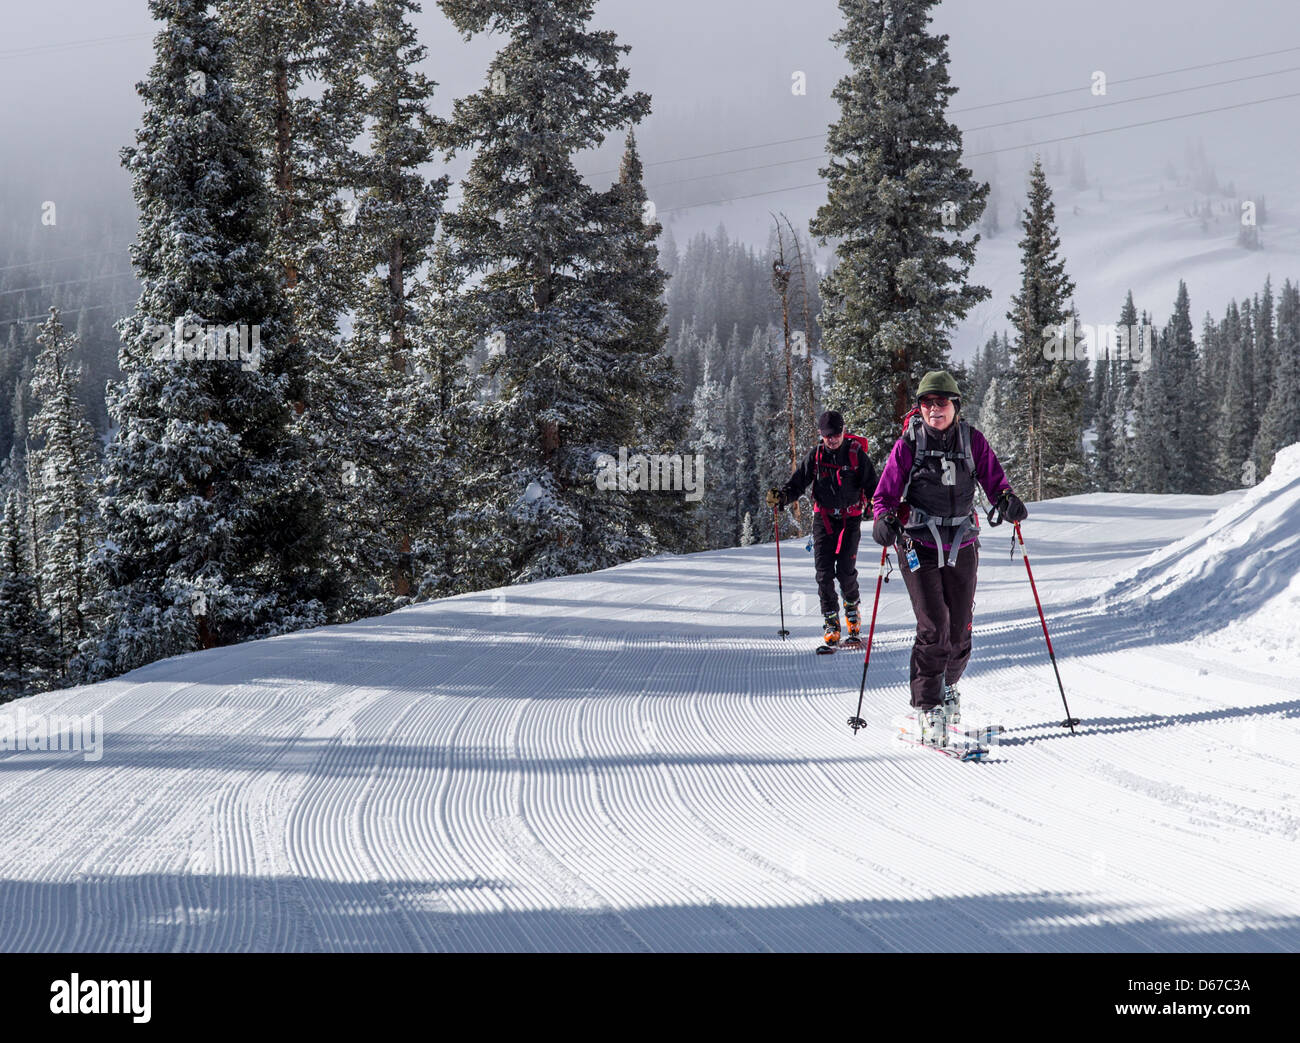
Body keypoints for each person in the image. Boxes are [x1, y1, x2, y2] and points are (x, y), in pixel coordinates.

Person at [870, 371, 1027, 746]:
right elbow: (884, 495)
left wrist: (1006, 501)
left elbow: (995, 483)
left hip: (962, 541)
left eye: (941, 403)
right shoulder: (909, 444)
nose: (933, 409)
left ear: (956, 405)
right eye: (926, 403)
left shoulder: (972, 441)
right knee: (933, 625)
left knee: (960, 630)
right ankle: (927, 709)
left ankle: (948, 687)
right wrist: (883, 521)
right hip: (917, 545)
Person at [766, 410, 879, 647]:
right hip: (824, 519)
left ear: (843, 431)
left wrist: (879, 509)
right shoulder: (816, 455)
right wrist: (783, 497)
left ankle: (852, 610)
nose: (832, 439)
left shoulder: (855, 454)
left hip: (850, 519)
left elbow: (873, 485)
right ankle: (831, 622)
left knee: (846, 571)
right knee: (824, 573)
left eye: (836, 434)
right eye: (828, 435)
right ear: (821, 434)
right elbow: (798, 482)